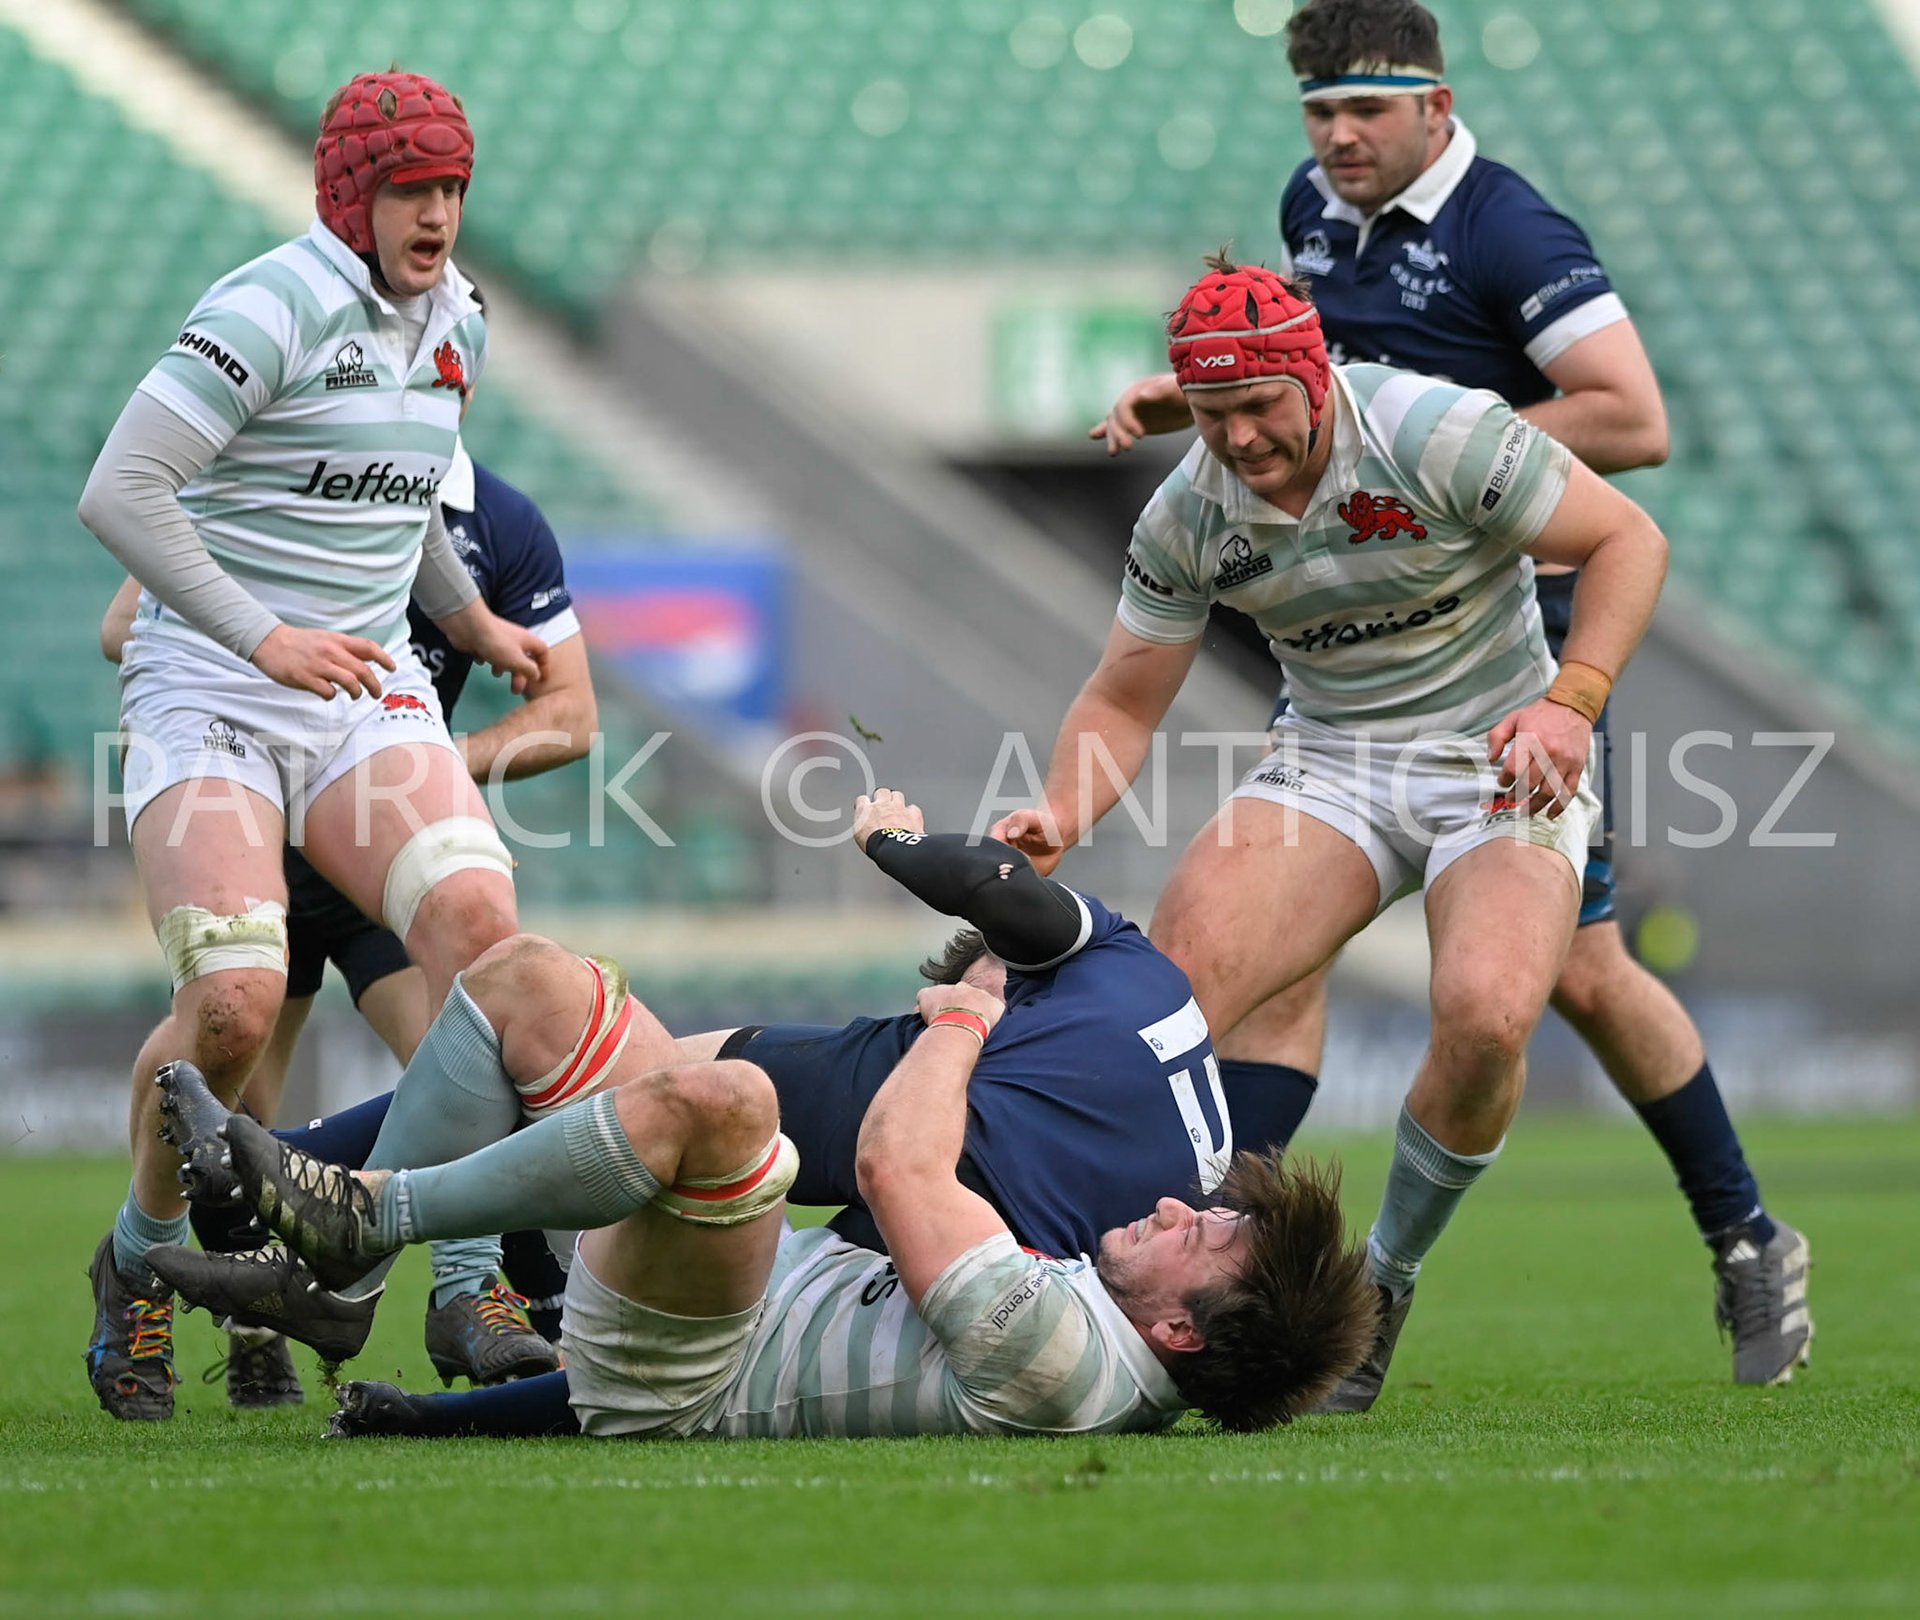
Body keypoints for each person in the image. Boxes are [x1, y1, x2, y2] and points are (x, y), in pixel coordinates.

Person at [1084, 0, 1811, 1391]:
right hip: (1354, 653)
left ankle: (1744, 1235)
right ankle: (1250, 1275)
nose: (1339, 137)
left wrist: (1419, 477)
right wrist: (1209, 406)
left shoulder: (1506, 230)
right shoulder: (1317, 206)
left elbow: (1633, 419)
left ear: (1437, 102)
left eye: (1367, 110)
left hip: (1512, 652)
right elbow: (1321, 372)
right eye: (1320, 112)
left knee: (1567, 982)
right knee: (1272, 967)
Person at [996, 249, 1672, 1411]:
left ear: (1317, 376)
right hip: (1333, 762)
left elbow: (1630, 539)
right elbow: (1121, 693)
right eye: (1212, 414)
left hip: (1495, 755)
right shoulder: (1187, 511)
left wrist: (1572, 702)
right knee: (1160, 1000)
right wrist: (1065, 805)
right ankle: (1091, 1285)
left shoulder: (1434, 431)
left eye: (1261, 405)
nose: (1242, 437)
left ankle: (1385, 1280)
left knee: (1487, 1016)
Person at [148, 787, 1328, 1434]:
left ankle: (351, 1226)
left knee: (725, 1096)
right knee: (521, 976)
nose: (1182, 1208)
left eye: (1202, 1233)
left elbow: (889, 1165)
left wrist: (941, 982)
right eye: (1209, 1214)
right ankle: (351, 1268)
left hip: (680, 1323)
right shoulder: (1108, 1241)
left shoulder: (1025, 1105)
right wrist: (424, 1423)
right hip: (702, 1302)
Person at [75, 70, 550, 1421]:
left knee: (481, 933)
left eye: (453, 188)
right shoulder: (265, 303)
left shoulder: (460, 318)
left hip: (360, 687)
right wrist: (261, 633)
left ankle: (468, 1279)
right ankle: (137, 1263)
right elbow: (122, 491)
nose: (439, 215)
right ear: (352, 194)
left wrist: (473, 622)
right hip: (210, 686)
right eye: (413, 189)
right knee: (230, 1009)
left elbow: (398, 506)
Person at [96, 421, 599, 1403]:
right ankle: (165, 1275)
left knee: (461, 1047)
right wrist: (260, 646)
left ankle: (466, 1287)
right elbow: (128, 622)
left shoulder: (499, 520)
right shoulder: (270, 480)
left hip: (374, 839)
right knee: (227, 1067)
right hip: (247, 826)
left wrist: (427, 766)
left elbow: (571, 713)